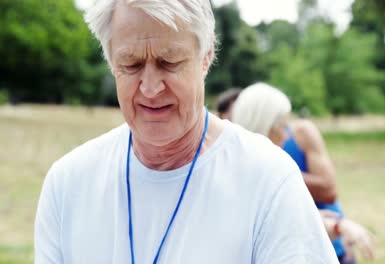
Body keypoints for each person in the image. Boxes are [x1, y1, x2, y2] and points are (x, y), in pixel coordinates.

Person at [34, 1, 338, 263]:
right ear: (112, 62)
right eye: (131, 64)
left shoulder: (268, 179)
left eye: (169, 63)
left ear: (206, 58)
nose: (150, 88)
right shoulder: (68, 184)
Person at [231, 82, 374, 263]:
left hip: (328, 245)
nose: (286, 135)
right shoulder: (237, 169)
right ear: (264, 125)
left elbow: (329, 191)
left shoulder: (289, 149)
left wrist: (338, 226)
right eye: (282, 127)